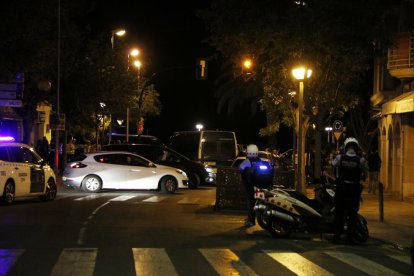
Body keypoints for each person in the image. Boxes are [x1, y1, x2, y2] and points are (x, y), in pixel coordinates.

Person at [331, 137, 367, 244]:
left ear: (346, 148)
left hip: (341, 189)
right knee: (352, 215)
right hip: (353, 191)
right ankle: (349, 238)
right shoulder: (360, 160)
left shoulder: (339, 158)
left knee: (339, 214)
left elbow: (333, 165)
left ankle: (336, 237)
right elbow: (365, 171)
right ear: (356, 149)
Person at [239, 144, 270, 227]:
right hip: (260, 186)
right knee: (260, 202)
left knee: (251, 203)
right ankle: (263, 219)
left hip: (250, 187)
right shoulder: (259, 161)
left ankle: (250, 220)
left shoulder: (247, 161)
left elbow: (240, 168)